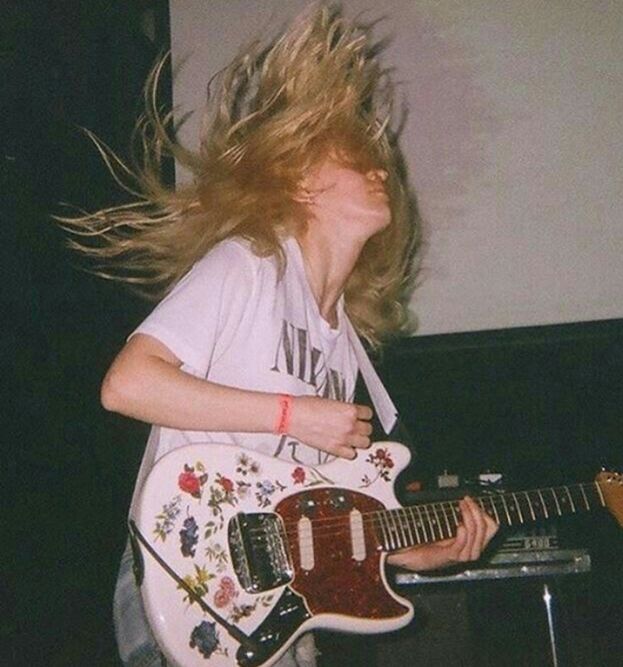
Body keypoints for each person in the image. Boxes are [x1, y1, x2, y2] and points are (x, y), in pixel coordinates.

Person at [61, 5, 497, 666]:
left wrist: (416, 550)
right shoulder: (250, 264)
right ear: (300, 180)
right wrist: (294, 414)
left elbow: (321, 510)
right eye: (357, 161)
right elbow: (127, 383)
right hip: (189, 583)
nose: (383, 171)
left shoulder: (342, 343)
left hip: (275, 617)